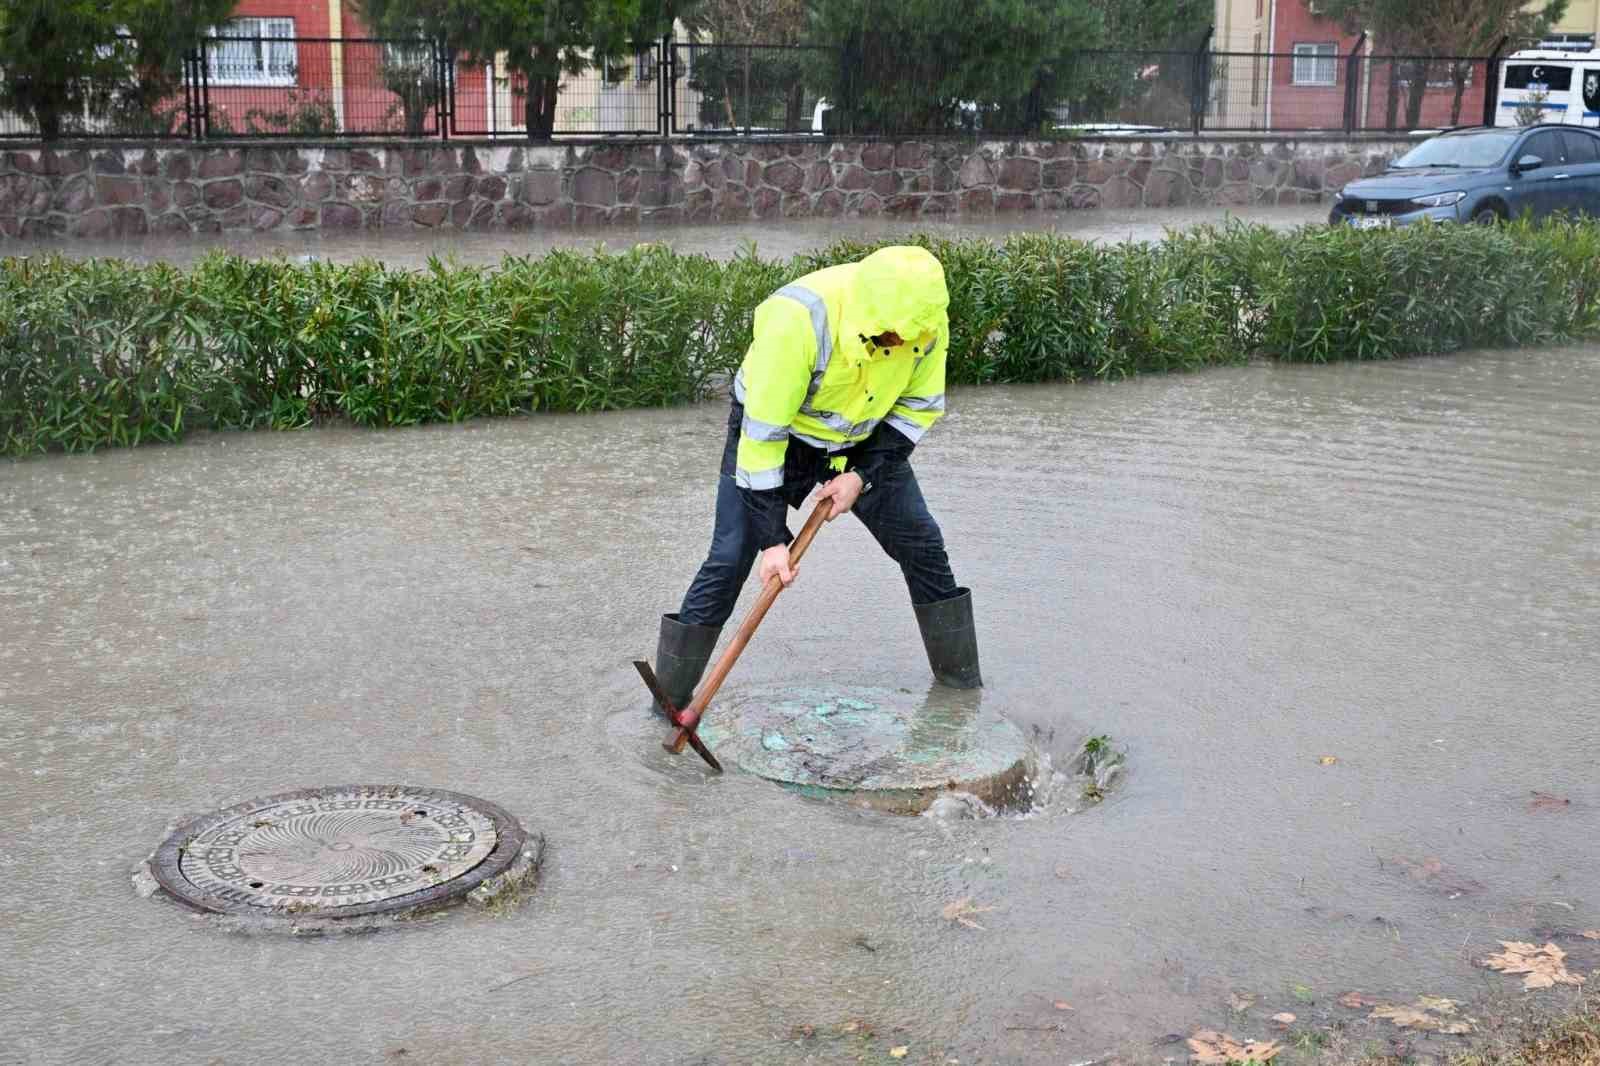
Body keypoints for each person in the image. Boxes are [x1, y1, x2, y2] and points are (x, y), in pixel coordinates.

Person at [651, 245, 981, 711]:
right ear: (866, 314)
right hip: (783, 440)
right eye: (886, 339)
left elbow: (916, 410)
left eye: (905, 342)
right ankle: (670, 705)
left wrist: (861, 476)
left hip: (863, 440)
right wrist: (771, 540)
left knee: (923, 544)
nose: (896, 347)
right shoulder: (797, 320)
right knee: (728, 560)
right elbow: (762, 441)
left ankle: (962, 696)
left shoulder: (925, 321)